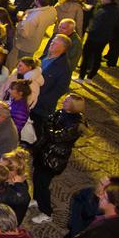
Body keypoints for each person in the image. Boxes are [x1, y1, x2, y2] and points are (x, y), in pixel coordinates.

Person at [29, 93, 86, 224]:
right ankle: (37, 199)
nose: (63, 101)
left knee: (43, 184)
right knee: (36, 178)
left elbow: (56, 136)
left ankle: (46, 211)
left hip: (54, 158)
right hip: (45, 151)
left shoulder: (76, 124)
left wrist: (48, 126)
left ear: (73, 106)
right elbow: (50, 123)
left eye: (66, 101)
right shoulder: (61, 112)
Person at [78, 0, 119, 82]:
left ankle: (81, 77)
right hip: (105, 37)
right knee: (97, 56)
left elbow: (96, 25)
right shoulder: (115, 9)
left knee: (86, 56)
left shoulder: (103, 11)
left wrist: (90, 29)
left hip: (94, 37)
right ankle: (90, 77)